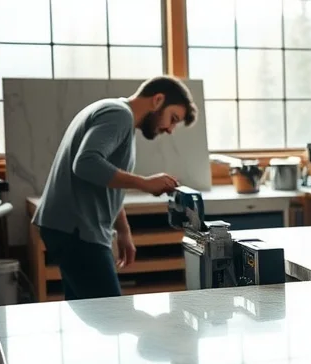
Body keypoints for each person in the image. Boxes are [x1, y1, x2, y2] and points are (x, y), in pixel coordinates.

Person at [33, 76, 198, 300]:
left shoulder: (117, 115)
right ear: (157, 100)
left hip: (70, 228)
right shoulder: (118, 115)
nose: (170, 129)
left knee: (87, 310)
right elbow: (86, 163)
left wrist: (123, 230)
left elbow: (105, 179)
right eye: (173, 118)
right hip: (77, 230)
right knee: (110, 316)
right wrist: (145, 183)